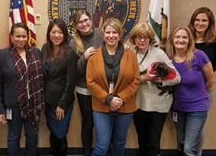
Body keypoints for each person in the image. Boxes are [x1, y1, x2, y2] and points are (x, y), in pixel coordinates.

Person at [86, 18, 140, 156]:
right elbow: (90, 82)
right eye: (108, 32)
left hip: (125, 106)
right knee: (102, 145)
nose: (111, 36)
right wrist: (109, 99)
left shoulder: (131, 55)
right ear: (103, 35)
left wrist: (120, 98)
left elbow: (136, 80)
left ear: (120, 35)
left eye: (115, 32)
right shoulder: (94, 56)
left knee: (119, 143)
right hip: (101, 106)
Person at [0, 23, 44, 156]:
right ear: (11, 37)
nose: (21, 39)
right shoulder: (2, 55)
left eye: (24, 36)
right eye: (17, 36)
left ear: (28, 37)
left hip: (33, 104)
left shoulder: (36, 52)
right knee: (13, 137)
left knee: (32, 137)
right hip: (12, 106)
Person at [129, 22, 181, 156]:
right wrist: (144, 79)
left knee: (153, 143)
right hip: (138, 103)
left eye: (146, 37)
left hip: (158, 105)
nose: (142, 40)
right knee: (142, 142)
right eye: (139, 37)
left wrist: (161, 81)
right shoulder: (128, 53)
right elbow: (125, 79)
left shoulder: (159, 53)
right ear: (133, 38)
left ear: (151, 39)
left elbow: (177, 78)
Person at [166, 27, 214, 156]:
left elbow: (210, 81)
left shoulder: (198, 55)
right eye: (177, 37)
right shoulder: (168, 59)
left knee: (189, 148)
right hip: (178, 108)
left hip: (197, 108)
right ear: (172, 40)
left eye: (184, 37)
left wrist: (198, 96)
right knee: (182, 143)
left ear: (189, 40)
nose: (180, 40)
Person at [69, 10, 103, 156]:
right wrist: (84, 57)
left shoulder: (102, 34)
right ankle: (87, 153)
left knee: (103, 125)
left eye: (86, 20)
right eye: (80, 22)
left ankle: (103, 150)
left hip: (103, 89)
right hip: (84, 90)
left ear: (91, 19)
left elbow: (116, 49)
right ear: (76, 26)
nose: (84, 24)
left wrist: (124, 48)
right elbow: (74, 72)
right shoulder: (73, 43)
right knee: (88, 124)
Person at [42, 18, 78, 156]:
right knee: (53, 131)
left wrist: (62, 105)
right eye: (53, 32)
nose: (56, 35)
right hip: (47, 100)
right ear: (49, 33)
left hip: (62, 101)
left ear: (64, 34)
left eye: (60, 32)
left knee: (60, 134)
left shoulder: (70, 53)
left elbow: (70, 83)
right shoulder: (45, 48)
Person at [188, 7, 216, 155]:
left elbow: (212, 72)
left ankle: (196, 153)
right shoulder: (185, 38)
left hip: (204, 89)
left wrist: (203, 88)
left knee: (198, 126)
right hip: (183, 90)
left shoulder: (213, 43)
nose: (200, 23)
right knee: (182, 126)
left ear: (209, 23)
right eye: (197, 20)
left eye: (204, 20)